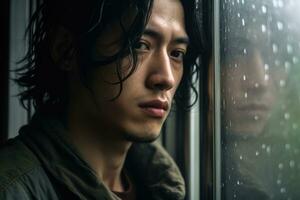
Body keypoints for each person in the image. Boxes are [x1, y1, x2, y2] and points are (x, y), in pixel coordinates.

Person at [0, 0, 202, 199]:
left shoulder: (159, 187)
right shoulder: (12, 189)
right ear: (66, 50)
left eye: (176, 53)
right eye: (139, 44)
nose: (166, 78)